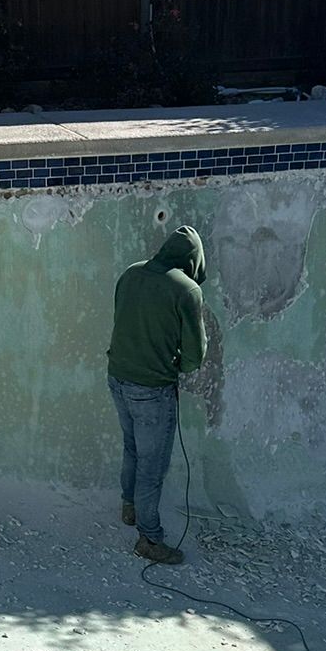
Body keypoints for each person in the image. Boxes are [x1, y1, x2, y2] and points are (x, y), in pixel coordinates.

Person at [106, 225, 207, 565]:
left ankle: (129, 507)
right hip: (151, 389)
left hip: (117, 377)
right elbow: (195, 354)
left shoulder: (131, 273)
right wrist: (175, 363)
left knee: (132, 447)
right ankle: (149, 539)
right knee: (153, 465)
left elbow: (123, 318)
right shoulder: (186, 289)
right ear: (194, 258)